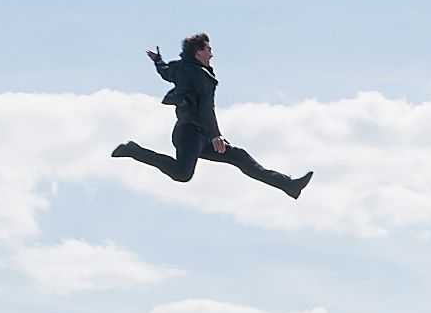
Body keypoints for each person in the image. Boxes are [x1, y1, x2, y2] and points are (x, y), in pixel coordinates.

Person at [112, 33, 312, 198]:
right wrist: (216, 134)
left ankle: (289, 186)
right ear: (199, 52)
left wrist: (158, 60)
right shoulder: (201, 75)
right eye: (209, 50)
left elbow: (165, 72)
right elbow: (207, 107)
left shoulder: (180, 67)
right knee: (182, 174)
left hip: (197, 134)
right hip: (191, 133)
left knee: (239, 157)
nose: (212, 54)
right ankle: (133, 150)